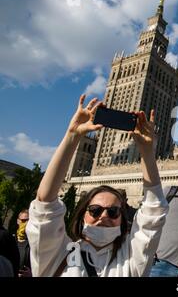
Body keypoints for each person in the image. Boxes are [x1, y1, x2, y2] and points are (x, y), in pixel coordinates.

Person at [26, 95, 168, 277]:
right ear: (82, 213)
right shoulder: (57, 254)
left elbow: (154, 212)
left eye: (113, 212)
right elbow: (44, 204)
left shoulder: (131, 260)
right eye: (95, 210)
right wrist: (72, 135)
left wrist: (147, 152)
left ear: (122, 219)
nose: (104, 216)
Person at [15, 209, 32, 277]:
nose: (26, 224)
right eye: (23, 220)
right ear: (18, 221)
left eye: (28, 221)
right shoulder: (9, 240)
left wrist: (31, 275)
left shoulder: (34, 244)